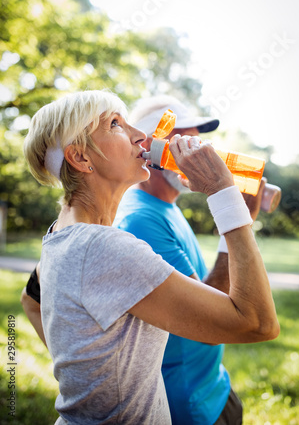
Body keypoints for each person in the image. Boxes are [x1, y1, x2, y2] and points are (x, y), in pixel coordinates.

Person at [21, 89, 279, 425]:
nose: (141, 136)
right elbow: (258, 323)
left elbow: (30, 298)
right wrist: (223, 193)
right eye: (115, 124)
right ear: (81, 158)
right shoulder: (104, 248)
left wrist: (85, 376)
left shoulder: (61, 235)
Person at [114, 95, 264, 425]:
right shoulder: (140, 221)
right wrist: (233, 222)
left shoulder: (167, 206)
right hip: (188, 405)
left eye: (198, 141)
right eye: (184, 141)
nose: (198, 151)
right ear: (151, 146)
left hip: (214, 386)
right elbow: (210, 325)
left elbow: (209, 292)